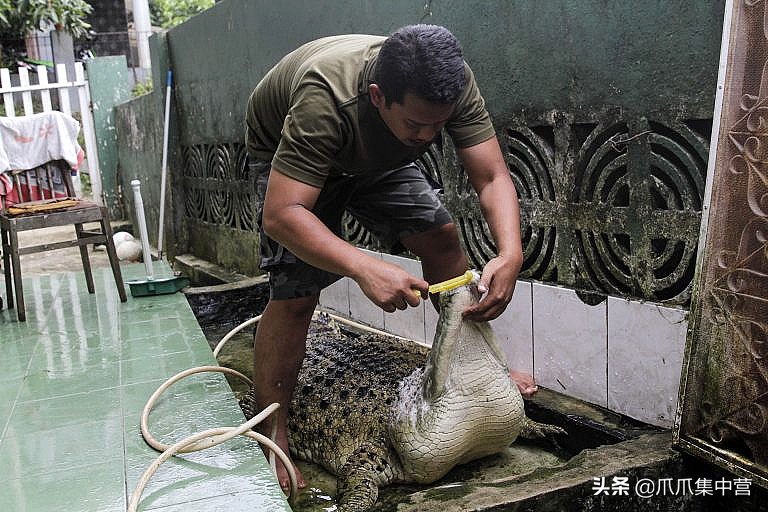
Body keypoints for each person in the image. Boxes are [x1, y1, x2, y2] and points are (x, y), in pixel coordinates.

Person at [244, 24, 536, 491]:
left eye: (440, 125)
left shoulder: (451, 83)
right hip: (293, 162)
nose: (431, 136)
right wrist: (363, 267)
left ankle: (474, 374)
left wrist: (512, 252)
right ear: (379, 96)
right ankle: (271, 433)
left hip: (377, 156)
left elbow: (492, 176)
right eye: (418, 126)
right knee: (298, 294)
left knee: (441, 235)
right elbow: (282, 214)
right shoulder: (326, 97)